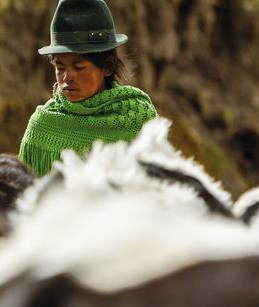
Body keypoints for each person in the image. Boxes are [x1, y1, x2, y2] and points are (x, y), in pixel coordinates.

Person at [18, 0, 158, 176]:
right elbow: (22, 196)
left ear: (107, 67)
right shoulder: (43, 126)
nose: (67, 78)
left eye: (79, 67)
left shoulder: (139, 120)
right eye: (60, 68)